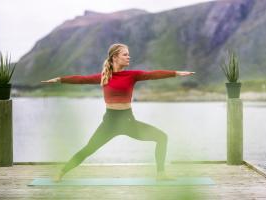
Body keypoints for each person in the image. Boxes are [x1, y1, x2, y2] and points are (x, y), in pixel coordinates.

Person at [41, 43, 195, 182]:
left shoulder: (132, 75)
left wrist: (175, 73)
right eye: (125, 54)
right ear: (115, 57)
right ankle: (61, 173)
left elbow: (153, 74)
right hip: (109, 124)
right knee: (88, 149)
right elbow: (81, 79)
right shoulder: (104, 77)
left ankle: (161, 174)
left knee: (162, 137)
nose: (129, 57)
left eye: (128, 54)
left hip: (129, 123)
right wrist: (59, 79)